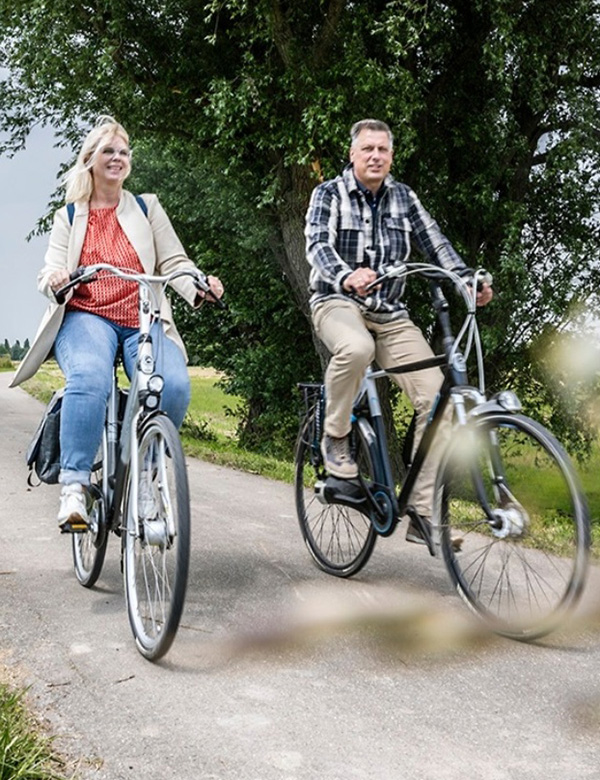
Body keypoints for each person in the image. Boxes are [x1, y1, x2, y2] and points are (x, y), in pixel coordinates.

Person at [11, 116, 223, 533]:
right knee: (89, 377)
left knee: (174, 385)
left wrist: (199, 286)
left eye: (124, 152)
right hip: (88, 316)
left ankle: (146, 480)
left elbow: (175, 262)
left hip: (143, 318)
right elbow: (51, 269)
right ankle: (74, 487)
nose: (118, 158)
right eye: (109, 151)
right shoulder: (70, 216)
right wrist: (55, 279)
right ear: (90, 159)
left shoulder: (147, 207)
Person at [305, 118, 493, 544]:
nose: (375, 156)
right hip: (337, 302)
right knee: (355, 347)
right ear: (352, 154)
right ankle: (335, 438)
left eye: (383, 150)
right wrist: (347, 275)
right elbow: (317, 246)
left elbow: (436, 243)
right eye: (367, 149)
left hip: (391, 312)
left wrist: (465, 279)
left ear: (391, 156)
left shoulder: (403, 198)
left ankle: (422, 512)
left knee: (438, 397)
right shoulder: (328, 194)